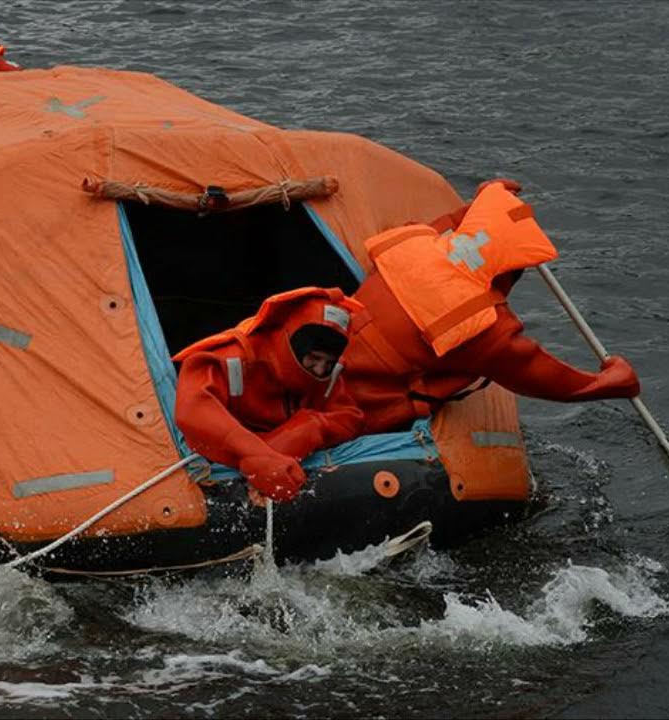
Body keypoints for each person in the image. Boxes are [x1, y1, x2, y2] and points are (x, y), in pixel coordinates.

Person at [343, 179, 642, 433]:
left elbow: (455, 228)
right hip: (361, 402)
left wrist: (488, 199)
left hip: (328, 350)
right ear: (508, 270)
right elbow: (543, 377)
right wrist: (609, 382)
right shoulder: (487, 327)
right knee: (460, 369)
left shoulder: (414, 242)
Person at [173, 287, 366, 503]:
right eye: (314, 358)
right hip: (214, 467)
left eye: (328, 363)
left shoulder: (330, 375)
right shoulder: (232, 358)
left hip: (269, 463)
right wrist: (256, 456)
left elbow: (350, 418)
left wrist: (307, 430)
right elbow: (193, 409)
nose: (320, 370)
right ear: (292, 343)